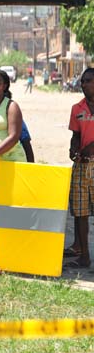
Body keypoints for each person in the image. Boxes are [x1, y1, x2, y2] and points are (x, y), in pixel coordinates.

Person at [66, 68, 94, 269]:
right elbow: (75, 135)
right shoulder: (77, 108)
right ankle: (84, 256)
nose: (84, 84)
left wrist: (90, 148)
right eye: (83, 81)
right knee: (80, 212)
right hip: (82, 165)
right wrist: (74, 149)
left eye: (88, 81)